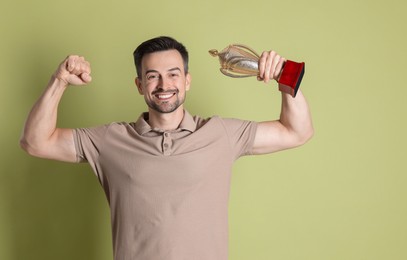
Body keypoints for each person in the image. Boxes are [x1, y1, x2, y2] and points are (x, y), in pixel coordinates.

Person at [20, 36, 313, 260]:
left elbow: (296, 131)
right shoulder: (110, 140)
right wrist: (59, 82)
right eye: (152, 76)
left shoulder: (221, 134)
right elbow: (35, 142)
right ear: (139, 85)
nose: (164, 84)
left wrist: (284, 74)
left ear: (187, 81)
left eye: (173, 74)